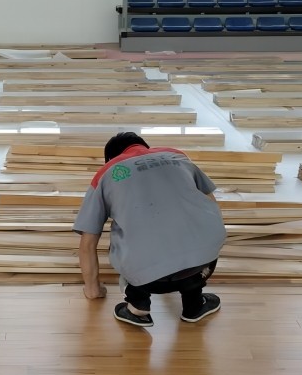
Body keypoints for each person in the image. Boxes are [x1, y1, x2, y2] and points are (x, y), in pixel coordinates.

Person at [73, 132, 226, 327]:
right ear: (145, 147)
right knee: (196, 232)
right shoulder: (177, 155)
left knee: (125, 232)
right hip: (204, 265)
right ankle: (194, 304)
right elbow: (211, 205)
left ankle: (138, 305)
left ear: (111, 158)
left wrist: (93, 289)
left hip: (149, 279)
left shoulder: (105, 173)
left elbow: (88, 243)